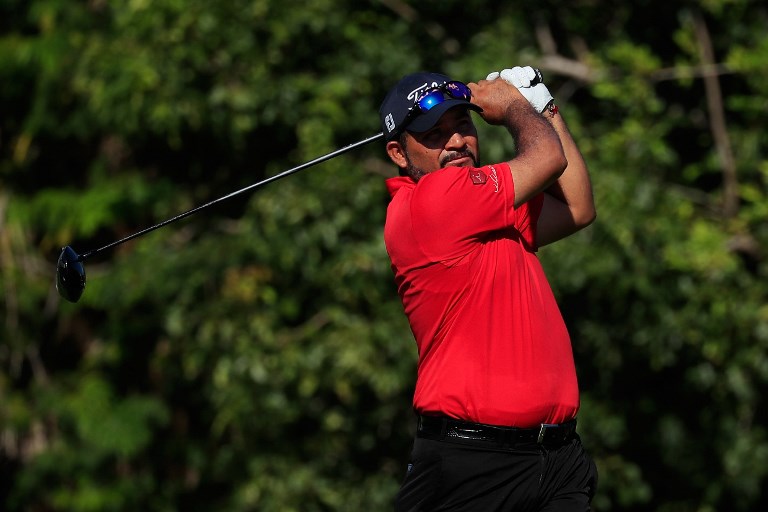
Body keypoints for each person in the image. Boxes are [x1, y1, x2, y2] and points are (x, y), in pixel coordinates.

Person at [378, 67, 598, 511]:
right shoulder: (432, 202)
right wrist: (517, 104)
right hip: (473, 464)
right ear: (399, 153)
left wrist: (545, 106)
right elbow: (548, 160)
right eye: (434, 135)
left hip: (557, 459)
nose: (456, 141)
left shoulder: (486, 203)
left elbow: (577, 207)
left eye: (462, 124)